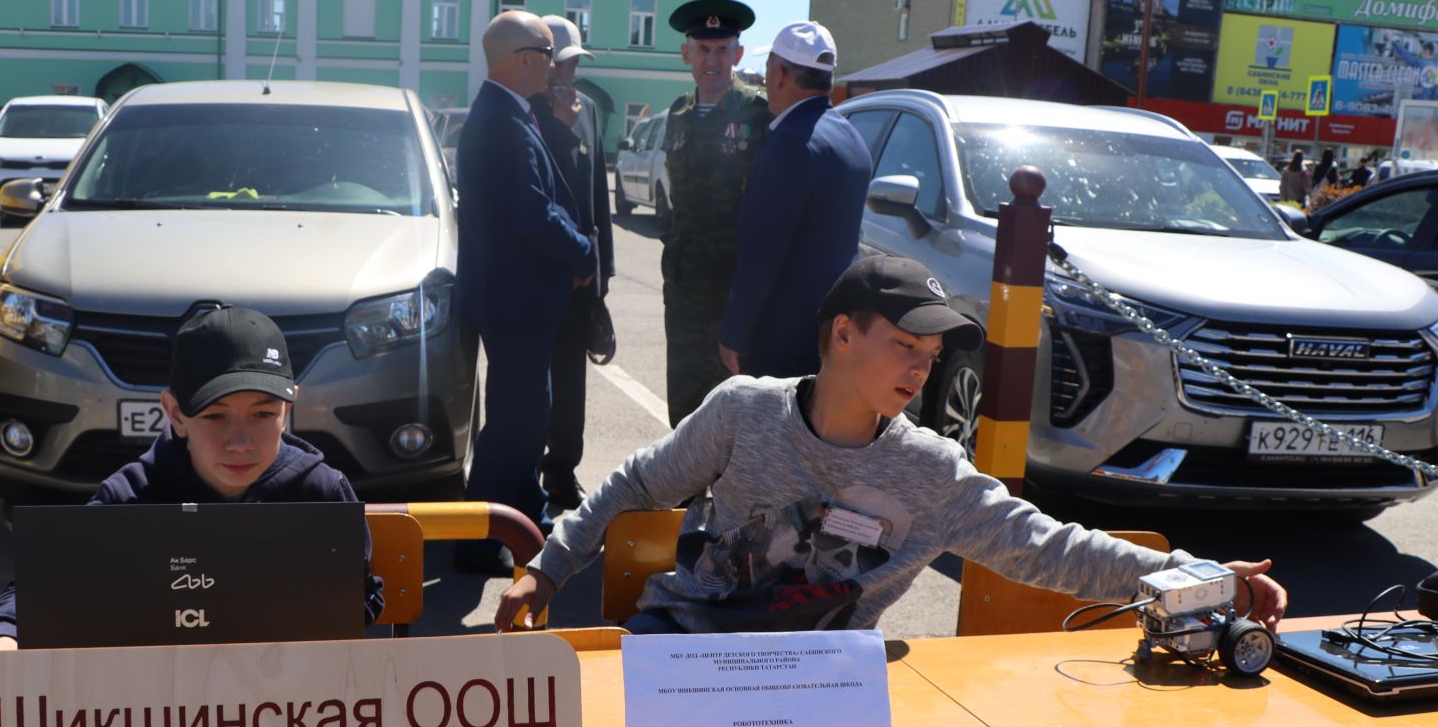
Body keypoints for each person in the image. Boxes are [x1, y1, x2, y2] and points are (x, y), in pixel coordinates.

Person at [495, 255, 1286, 636]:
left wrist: (1204, 578)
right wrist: (546, 568)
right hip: (687, 651)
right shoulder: (743, 413)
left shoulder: (929, 472)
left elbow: (1051, 550)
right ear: (842, 334)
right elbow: (635, 487)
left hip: (822, 687)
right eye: (905, 345)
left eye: (930, 358)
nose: (920, 368)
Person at [0, 306, 384, 696]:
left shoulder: (324, 496)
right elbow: (49, 584)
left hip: (290, 717)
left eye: (264, 413)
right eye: (214, 416)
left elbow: (358, 598)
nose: (240, 440)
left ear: (289, 410)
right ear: (175, 414)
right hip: (158, 718)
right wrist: (4, 634)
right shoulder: (130, 498)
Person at [453, 10, 597, 575]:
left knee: (526, 415)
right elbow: (533, 212)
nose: (554, 65)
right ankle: (476, 540)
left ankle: (525, 520)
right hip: (514, 300)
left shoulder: (509, 113)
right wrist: (581, 254)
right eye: (544, 53)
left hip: (520, 296)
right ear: (520, 60)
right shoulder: (500, 121)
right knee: (514, 423)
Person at [717, 20, 872, 381]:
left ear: (781, 74)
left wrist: (734, 331)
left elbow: (763, 251)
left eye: (769, 67)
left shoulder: (792, 143)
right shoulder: (850, 138)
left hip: (786, 339)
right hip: (835, 331)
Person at [659, 0, 771, 428]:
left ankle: (729, 495)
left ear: (738, 54)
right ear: (686, 53)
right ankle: (686, 494)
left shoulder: (758, 113)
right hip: (685, 285)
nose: (713, 60)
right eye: (703, 49)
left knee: (732, 402)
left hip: (731, 287)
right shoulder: (678, 113)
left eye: (722, 49)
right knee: (683, 402)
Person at [532, 14, 615, 513]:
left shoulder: (586, 112)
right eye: (561, 65)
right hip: (538, 278)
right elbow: (540, 197)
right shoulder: (526, 113)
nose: (568, 75)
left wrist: (602, 278)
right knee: (529, 387)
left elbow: (596, 198)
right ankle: (525, 476)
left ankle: (562, 471)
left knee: (570, 387)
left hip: (580, 281)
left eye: (574, 64)